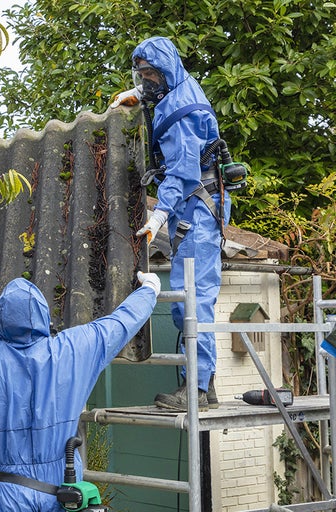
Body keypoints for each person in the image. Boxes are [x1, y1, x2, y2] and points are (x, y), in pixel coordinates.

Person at [0, 271, 160, 511]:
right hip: (64, 492)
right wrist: (150, 288)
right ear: (43, 315)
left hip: (9, 495)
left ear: (0, 320)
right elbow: (121, 322)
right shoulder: (74, 348)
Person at [114, 36, 231, 412]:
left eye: (151, 74)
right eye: (141, 74)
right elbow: (159, 91)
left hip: (197, 208)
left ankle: (195, 389)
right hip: (194, 211)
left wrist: (159, 214)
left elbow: (181, 173)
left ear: (165, 70)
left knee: (192, 301)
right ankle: (203, 386)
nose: (147, 80)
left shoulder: (182, 111)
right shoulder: (174, 87)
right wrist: (134, 93)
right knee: (189, 301)